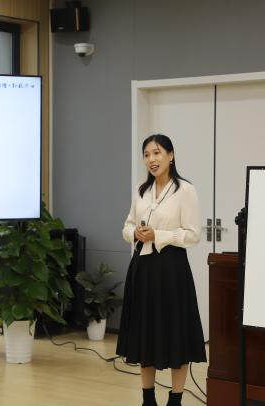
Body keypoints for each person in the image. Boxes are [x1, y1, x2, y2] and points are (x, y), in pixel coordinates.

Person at [116, 134, 207, 406]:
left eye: (157, 153)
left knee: (176, 332)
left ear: (171, 155)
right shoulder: (140, 190)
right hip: (142, 269)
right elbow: (127, 226)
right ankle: (148, 399)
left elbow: (193, 235)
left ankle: (175, 400)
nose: (151, 159)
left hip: (172, 270)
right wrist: (135, 233)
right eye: (146, 155)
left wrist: (159, 235)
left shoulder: (185, 190)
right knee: (145, 333)